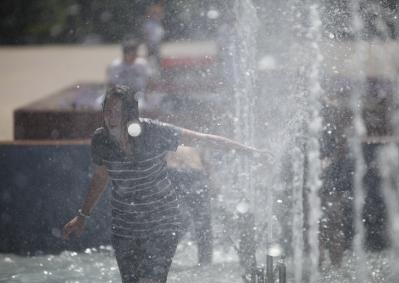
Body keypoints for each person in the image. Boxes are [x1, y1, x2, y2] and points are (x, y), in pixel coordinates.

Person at [63, 85, 270, 283]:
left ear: (130, 113)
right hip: (125, 227)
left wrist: (250, 152)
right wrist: (82, 216)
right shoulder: (101, 140)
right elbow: (100, 177)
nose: (111, 117)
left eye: (117, 111)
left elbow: (204, 139)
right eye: (108, 111)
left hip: (162, 223)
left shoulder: (152, 132)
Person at [106, 39, 151, 105]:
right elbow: (111, 83)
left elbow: (149, 80)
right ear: (125, 54)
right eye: (133, 54)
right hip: (120, 95)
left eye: (136, 53)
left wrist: (147, 94)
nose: (136, 56)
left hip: (139, 94)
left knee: (141, 106)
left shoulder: (141, 64)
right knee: (100, 103)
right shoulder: (116, 65)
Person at [142, 4, 164, 71]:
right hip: (151, 44)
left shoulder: (158, 23)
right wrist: (148, 44)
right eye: (155, 15)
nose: (157, 16)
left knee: (158, 59)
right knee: (150, 59)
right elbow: (146, 35)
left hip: (156, 43)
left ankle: (158, 71)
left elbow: (159, 35)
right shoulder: (148, 24)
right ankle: (148, 71)